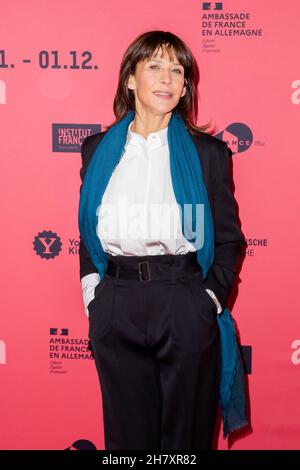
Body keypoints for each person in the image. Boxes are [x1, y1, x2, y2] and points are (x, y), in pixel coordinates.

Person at [78, 30, 246, 450]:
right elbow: (88, 229)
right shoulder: (97, 149)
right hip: (117, 299)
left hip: (183, 296)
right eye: (154, 66)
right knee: (127, 440)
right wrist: (92, 293)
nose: (168, 78)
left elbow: (228, 239)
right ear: (130, 79)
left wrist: (208, 298)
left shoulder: (207, 153)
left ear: (185, 86)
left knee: (185, 439)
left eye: (177, 70)